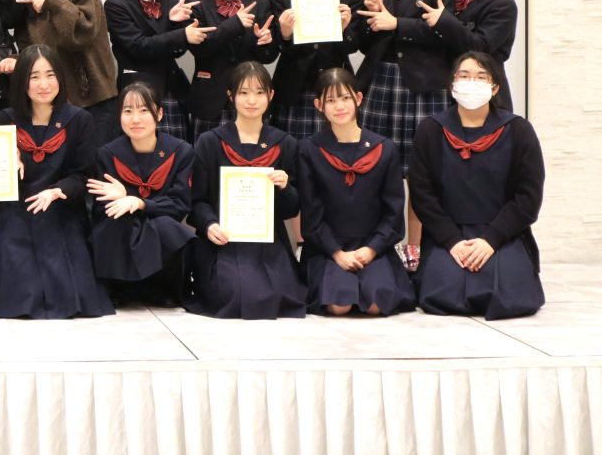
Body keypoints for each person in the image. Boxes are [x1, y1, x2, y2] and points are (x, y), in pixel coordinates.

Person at [409, 52, 545, 320]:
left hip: (501, 234)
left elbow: (528, 198)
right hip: (448, 235)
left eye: (481, 77)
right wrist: (452, 241)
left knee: (512, 298)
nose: (472, 83)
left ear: (495, 88)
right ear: (452, 84)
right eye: (464, 76)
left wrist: (490, 240)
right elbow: (423, 195)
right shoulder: (430, 130)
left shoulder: (519, 131)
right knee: (441, 296)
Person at [354, 0, 455, 271]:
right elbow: (363, 43)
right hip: (380, 81)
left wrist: (396, 22)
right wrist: (367, 19)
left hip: (424, 84)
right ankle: (378, 250)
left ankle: (417, 250)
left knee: (422, 171)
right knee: (378, 167)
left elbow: (444, 30)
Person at [0, 45, 113, 319]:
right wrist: (6, 164)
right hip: (17, 208)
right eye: (34, 77)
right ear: (22, 81)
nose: (43, 84)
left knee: (66, 273)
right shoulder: (3, 120)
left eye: (50, 75)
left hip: (61, 207)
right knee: (15, 261)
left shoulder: (79, 119)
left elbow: (83, 176)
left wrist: (57, 191)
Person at [186, 61, 306, 319]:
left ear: (271, 95)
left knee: (280, 296)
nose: (252, 100)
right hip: (223, 242)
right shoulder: (210, 142)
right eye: (243, 92)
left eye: (259, 92)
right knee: (236, 294)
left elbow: (292, 208)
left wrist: (285, 188)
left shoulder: (285, 144)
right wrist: (209, 225)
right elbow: (197, 202)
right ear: (230, 95)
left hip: (268, 242)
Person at [297, 68, 415, 316]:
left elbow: (393, 213)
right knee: (339, 305)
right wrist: (336, 252)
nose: (339, 106)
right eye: (331, 100)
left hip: (373, 246)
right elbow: (311, 213)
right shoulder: (309, 149)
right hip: (328, 248)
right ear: (319, 105)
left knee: (375, 305)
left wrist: (371, 249)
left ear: (358, 99)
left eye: (345, 98)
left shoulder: (385, 148)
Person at [86, 82, 195, 307]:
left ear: (160, 113)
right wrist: (120, 200)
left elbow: (180, 204)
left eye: (144, 110)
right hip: (122, 225)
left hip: (161, 219)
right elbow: (100, 210)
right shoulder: (107, 154)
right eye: (128, 111)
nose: (136, 119)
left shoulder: (181, 151)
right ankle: (121, 290)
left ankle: (162, 291)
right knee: (113, 227)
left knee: (167, 228)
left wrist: (140, 202)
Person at [7, 0, 118, 143]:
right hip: (55, 104)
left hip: (95, 99)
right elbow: (31, 52)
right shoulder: (28, 3)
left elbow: (84, 32)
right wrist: (16, 60)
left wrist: (51, 2)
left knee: (96, 160)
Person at [269, 0, 363, 141]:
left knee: (336, 149)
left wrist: (344, 29)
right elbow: (276, 47)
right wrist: (285, 33)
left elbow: (354, 46)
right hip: (294, 86)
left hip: (336, 85)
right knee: (292, 152)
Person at [104, 0, 202, 141]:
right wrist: (180, 34)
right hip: (137, 92)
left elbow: (177, 51)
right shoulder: (116, 4)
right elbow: (138, 47)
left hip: (172, 91)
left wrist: (175, 26)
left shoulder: (171, 1)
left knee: (177, 152)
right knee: (138, 153)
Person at [186, 0, 278, 140]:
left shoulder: (262, 4)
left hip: (251, 99)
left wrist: (265, 42)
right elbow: (200, 49)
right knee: (207, 157)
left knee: (252, 156)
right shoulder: (196, 4)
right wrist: (235, 23)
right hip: (210, 101)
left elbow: (269, 57)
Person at [417, 0, 518, 111]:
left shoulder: (504, 3)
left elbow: (479, 47)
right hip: (446, 91)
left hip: (484, 94)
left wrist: (444, 21)